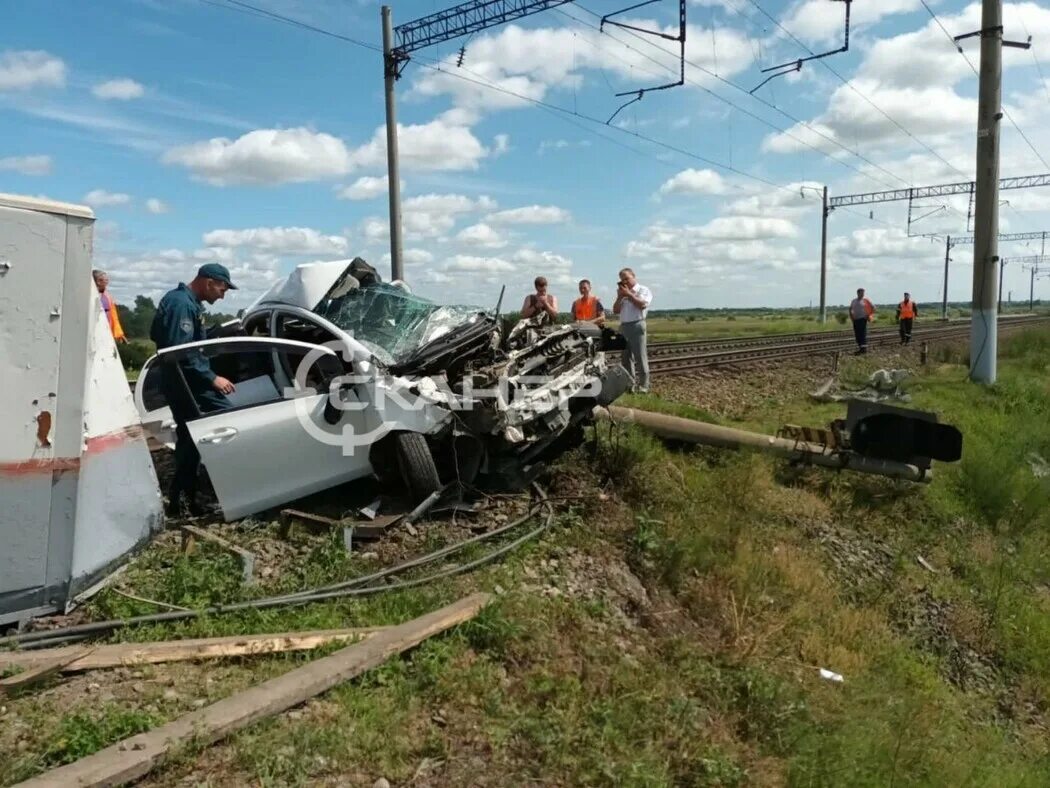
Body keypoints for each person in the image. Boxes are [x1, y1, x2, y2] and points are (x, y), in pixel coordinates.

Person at [150, 263, 238, 516]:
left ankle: (184, 500)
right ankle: (187, 500)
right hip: (188, 385)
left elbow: (166, 337)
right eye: (222, 289)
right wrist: (212, 378)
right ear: (209, 282)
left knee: (191, 441)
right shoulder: (182, 304)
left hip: (187, 383)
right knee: (227, 426)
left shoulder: (184, 302)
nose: (223, 295)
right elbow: (181, 352)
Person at [613, 267, 653, 393]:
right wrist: (620, 297)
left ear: (633, 276)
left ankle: (644, 385)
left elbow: (642, 304)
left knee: (640, 356)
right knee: (626, 357)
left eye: (627, 278)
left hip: (637, 324)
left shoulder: (643, 290)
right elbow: (615, 310)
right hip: (624, 326)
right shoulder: (623, 294)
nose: (625, 282)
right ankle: (630, 384)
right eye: (622, 280)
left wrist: (629, 294)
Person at [93, 269, 126, 344]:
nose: (107, 282)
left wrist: (119, 334)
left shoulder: (107, 296)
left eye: (107, 280)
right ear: (98, 281)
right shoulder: (91, 294)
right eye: (105, 280)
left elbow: (114, 316)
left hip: (107, 330)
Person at [849, 287, 876, 354]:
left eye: (863, 293)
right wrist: (851, 317)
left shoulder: (866, 300)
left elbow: (874, 308)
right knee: (857, 335)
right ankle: (860, 348)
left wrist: (869, 315)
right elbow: (850, 309)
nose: (863, 294)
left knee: (862, 334)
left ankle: (864, 350)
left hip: (863, 319)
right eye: (861, 293)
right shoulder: (854, 301)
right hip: (855, 320)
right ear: (858, 293)